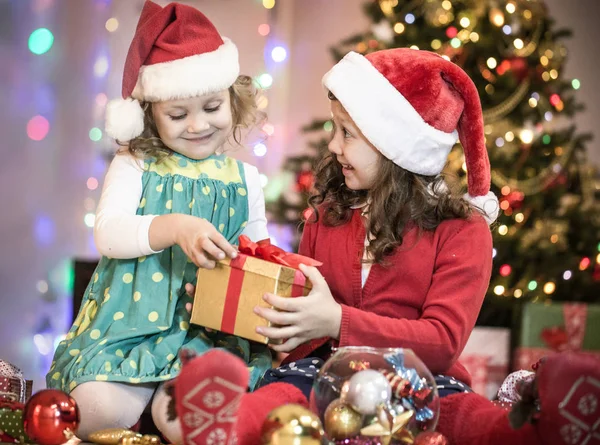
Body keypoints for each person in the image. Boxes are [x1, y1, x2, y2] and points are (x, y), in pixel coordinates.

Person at [173, 48, 600, 445]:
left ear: (394, 146)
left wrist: (338, 321)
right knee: (282, 397)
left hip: (420, 380)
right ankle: (223, 420)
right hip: (324, 374)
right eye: (334, 130)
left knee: (461, 414)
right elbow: (301, 316)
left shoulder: (463, 230)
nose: (333, 146)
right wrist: (241, 301)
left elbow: (443, 340)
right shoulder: (328, 214)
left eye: (347, 133)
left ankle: (541, 428)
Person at [45, 1, 272, 441]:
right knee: (90, 411)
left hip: (207, 337)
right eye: (177, 114)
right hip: (128, 328)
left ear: (233, 99)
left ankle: (163, 420)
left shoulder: (245, 178)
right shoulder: (136, 163)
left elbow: (258, 250)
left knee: (196, 417)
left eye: (211, 107)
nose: (198, 125)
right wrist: (175, 227)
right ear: (149, 114)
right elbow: (108, 232)